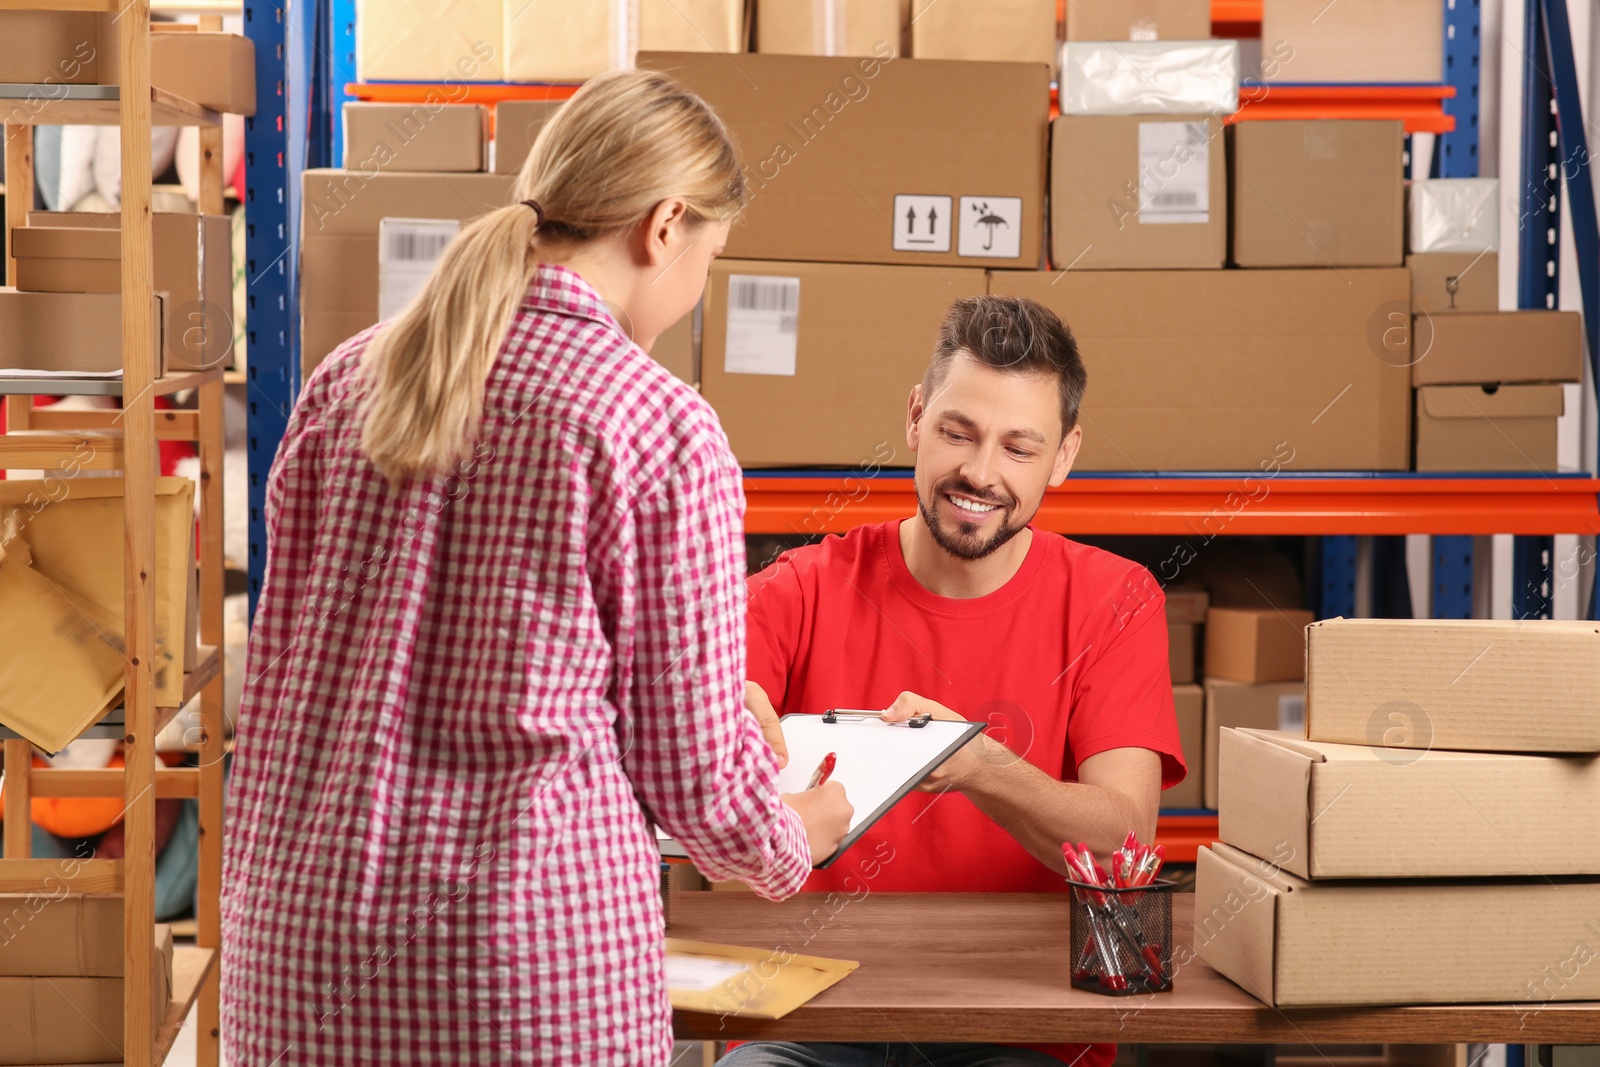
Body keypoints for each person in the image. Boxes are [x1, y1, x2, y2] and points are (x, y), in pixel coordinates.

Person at [222, 69, 852, 1066]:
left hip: (297, 958)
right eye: (710, 257)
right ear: (664, 226)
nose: (696, 292)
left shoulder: (346, 378)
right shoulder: (658, 423)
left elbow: (299, 667)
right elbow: (693, 777)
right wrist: (793, 833)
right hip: (516, 971)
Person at [723, 296, 1186, 1067]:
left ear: (1064, 456)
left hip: (1023, 1031)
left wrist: (974, 761)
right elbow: (692, 722)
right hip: (813, 1017)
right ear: (915, 416)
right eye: (957, 432)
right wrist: (716, 710)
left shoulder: (1116, 599)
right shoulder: (801, 586)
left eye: (1018, 448)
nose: (978, 472)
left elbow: (1124, 844)